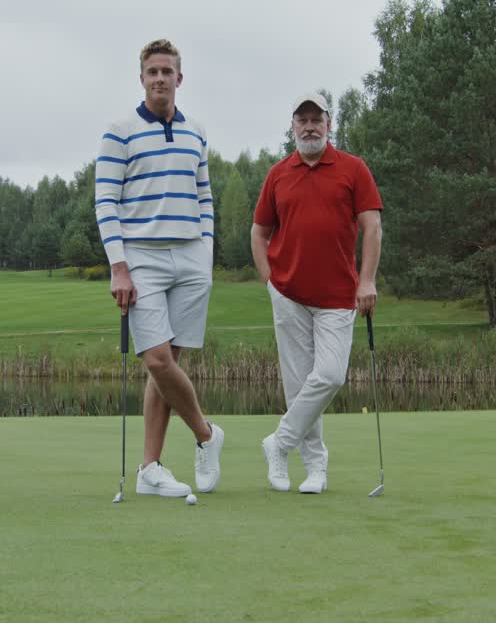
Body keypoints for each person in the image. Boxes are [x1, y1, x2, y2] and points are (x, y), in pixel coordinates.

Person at [94, 39, 224, 498]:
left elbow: (204, 195)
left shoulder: (197, 132)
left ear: (179, 79)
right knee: (157, 359)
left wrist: (205, 249)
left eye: (167, 71)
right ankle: (207, 434)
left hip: (191, 255)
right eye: (152, 71)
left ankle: (150, 467)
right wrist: (119, 266)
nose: (160, 79)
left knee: (167, 367)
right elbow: (105, 202)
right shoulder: (120, 130)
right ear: (142, 77)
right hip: (142, 257)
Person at [250, 92, 383, 494]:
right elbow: (259, 233)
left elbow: (372, 228)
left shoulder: (353, 169)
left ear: (329, 124)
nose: (309, 126)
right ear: (292, 126)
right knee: (297, 385)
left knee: (328, 376)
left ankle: (279, 443)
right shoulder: (278, 174)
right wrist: (269, 282)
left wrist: (367, 280)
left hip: (339, 296)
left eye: (316, 119)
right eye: (302, 119)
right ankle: (315, 470)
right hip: (288, 294)